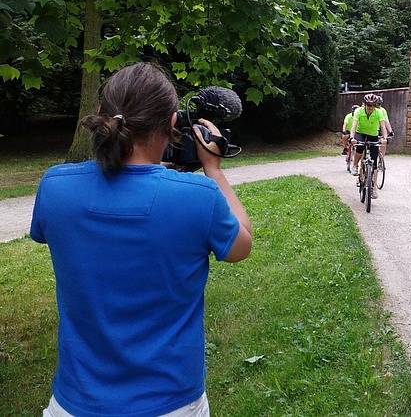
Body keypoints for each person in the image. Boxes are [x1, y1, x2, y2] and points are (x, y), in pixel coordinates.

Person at [30, 62, 253, 417]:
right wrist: (213, 169)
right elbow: (241, 246)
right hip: (172, 403)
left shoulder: (55, 186)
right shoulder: (198, 196)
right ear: (172, 124)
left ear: (104, 120)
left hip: (73, 403)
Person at [349, 93, 388, 198]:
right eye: (368, 105)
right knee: (360, 147)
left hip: (373, 135)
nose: (370, 107)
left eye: (372, 105)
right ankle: (355, 165)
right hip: (360, 133)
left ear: (375, 105)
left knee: (374, 164)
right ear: (365, 104)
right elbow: (354, 125)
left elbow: (383, 127)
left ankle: (374, 188)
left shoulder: (379, 113)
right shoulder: (359, 111)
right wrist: (352, 138)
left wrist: (384, 138)